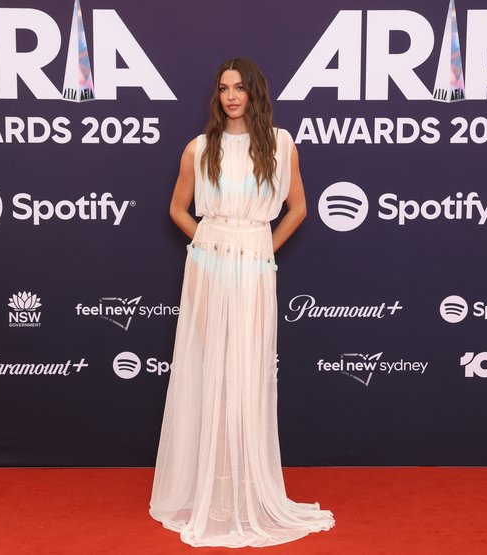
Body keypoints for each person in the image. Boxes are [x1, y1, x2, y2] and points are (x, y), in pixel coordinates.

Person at [149, 57, 335, 548]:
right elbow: (176, 208)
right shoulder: (199, 147)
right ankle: (211, 489)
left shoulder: (280, 143)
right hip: (208, 265)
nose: (231, 96)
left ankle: (246, 489)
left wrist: (260, 250)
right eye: (223, 88)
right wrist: (207, 245)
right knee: (213, 368)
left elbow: (299, 208)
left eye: (240, 88)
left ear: (255, 93)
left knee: (247, 370)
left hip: (254, 261)